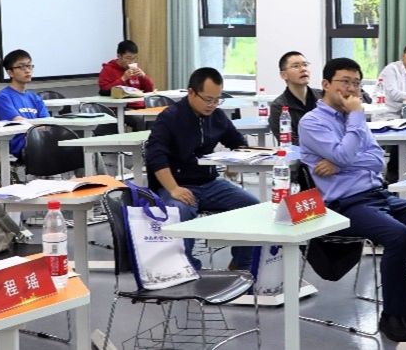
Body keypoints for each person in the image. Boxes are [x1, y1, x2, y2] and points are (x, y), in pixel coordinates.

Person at [298, 57, 406, 343]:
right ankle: (392, 315)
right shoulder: (312, 122)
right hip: (344, 205)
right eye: (344, 82)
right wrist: (352, 129)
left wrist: (341, 161)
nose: (351, 89)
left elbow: (375, 161)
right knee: (399, 236)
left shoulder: (355, 118)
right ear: (326, 84)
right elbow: (344, 154)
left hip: (379, 195)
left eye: (356, 83)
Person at [145, 67, 259, 270]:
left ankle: (240, 268)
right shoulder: (170, 118)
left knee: (253, 207)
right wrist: (173, 189)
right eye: (208, 99)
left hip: (209, 183)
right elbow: (155, 156)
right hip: (177, 185)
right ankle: (189, 270)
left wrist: (235, 163)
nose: (212, 105)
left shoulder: (217, 116)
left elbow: (238, 143)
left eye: (217, 100)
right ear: (191, 92)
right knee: (179, 212)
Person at [0, 49, 48, 161]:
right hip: (23, 145)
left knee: (74, 147)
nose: (27, 70)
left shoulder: (35, 97)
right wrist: (39, 126)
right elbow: (20, 122)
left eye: (29, 66)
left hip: (43, 141)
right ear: (10, 73)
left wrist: (42, 126)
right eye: (22, 67)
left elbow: (47, 123)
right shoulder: (3, 97)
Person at [268, 51, 317, 144]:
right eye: (296, 66)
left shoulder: (323, 97)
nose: (303, 69)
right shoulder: (279, 106)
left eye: (305, 65)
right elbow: (289, 141)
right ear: (283, 75)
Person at [97, 40, 155, 107]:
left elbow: (149, 90)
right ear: (119, 56)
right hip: (122, 108)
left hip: (140, 106)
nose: (131, 62)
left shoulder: (135, 70)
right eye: (128, 58)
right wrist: (123, 79)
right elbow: (104, 91)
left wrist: (144, 77)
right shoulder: (108, 70)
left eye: (134, 58)